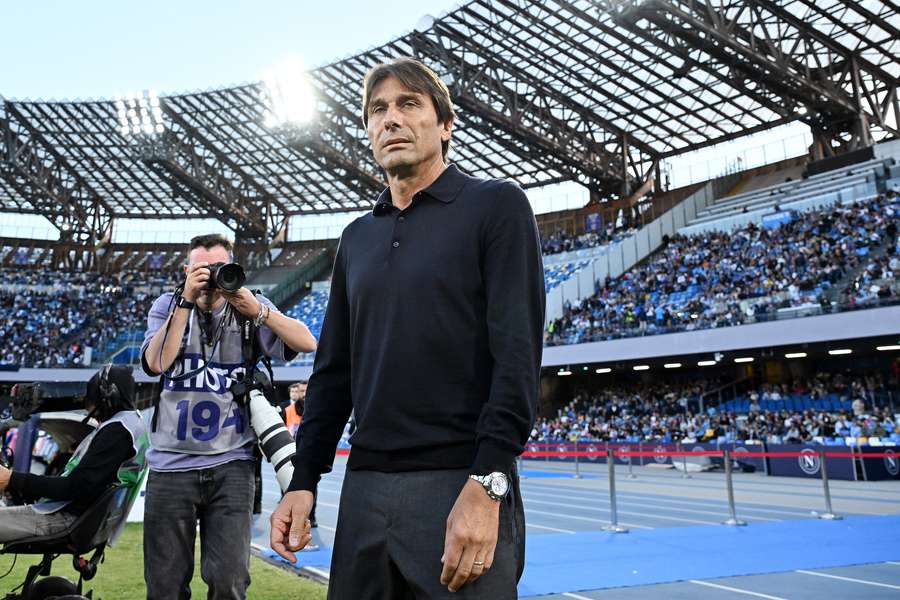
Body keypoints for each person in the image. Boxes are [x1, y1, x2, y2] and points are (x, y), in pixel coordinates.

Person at [270, 57, 545, 598]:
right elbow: (334, 374)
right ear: (369, 132)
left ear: (444, 124)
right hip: (364, 490)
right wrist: (303, 481)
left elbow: (516, 357)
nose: (391, 118)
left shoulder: (497, 207)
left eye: (408, 104)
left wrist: (489, 482)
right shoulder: (356, 239)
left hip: (460, 481)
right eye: (378, 109)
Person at [140, 234, 317, 600]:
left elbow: (308, 342)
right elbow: (157, 362)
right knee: (164, 586)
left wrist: (259, 311)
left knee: (229, 581)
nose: (209, 277)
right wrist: (186, 302)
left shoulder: (250, 305)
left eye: (217, 267)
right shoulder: (167, 305)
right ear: (186, 271)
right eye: (200, 269)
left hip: (232, 464)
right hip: (171, 466)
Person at [0, 365, 146, 543]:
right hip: (85, 519)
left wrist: (12, 478)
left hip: (64, 519)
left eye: (92, 398)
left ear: (108, 398)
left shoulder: (117, 431)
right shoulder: (131, 424)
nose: (87, 405)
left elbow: (73, 487)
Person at [283, 381, 316, 527]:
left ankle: (311, 517)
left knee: (311, 487)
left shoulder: (317, 409)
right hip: (291, 452)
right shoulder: (288, 410)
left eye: (305, 391)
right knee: (289, 485)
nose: (303, 394)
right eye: (301, 391)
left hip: (309, 453)